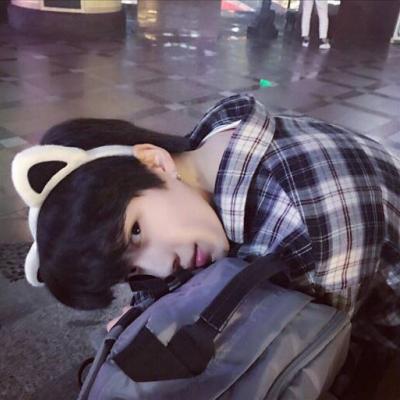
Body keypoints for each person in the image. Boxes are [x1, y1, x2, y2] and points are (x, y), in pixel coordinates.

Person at [11, 94, 400, 351]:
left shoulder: (304, 218)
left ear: (154, 162)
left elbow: (313, 351)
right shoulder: (210, 152)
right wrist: (144, 310)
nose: (161, 267)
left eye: (136, 232)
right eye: (131, 270)